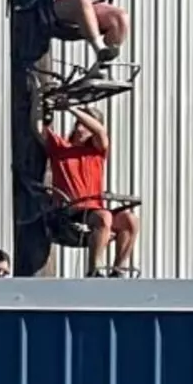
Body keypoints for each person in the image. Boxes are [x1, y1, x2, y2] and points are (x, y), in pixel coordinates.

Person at [31, 95, 140, 277]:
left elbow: (101, 132)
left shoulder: (97, 151)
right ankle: (94, 270)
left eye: (85, 125)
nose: (80, 128)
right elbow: (37, 128)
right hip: (70, 212)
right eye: (78, 124)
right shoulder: (60, 147)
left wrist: (71, 108)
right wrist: (37, 98)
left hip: (92, 211)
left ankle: (118, 270)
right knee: (104, 217)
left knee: (130, 220)